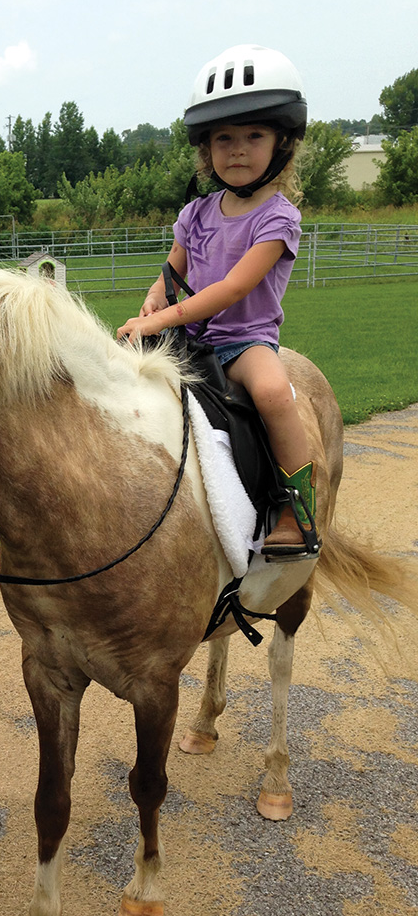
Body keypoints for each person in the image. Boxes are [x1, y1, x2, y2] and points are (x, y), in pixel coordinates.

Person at [117, 44, 319, 558]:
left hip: (245, 341)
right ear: (206, 150)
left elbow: (230, 289)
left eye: (254, 136)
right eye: (224, 138)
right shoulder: (197, 213)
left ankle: (298, 511)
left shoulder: (278, 219)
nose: (237, 149)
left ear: (283, 144)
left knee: (274, 393)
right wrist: (149, 308)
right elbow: (170, 273)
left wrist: (162, 316)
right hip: (191, 338)